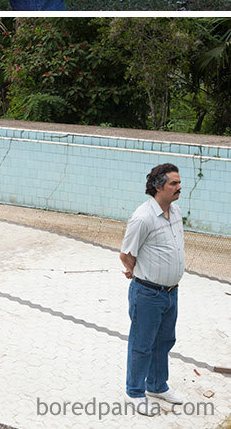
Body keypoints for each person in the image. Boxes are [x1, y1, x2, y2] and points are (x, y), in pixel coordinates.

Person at [120, 163, 185, 417]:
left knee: (164, 341)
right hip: (148, 293)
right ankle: (135, 392)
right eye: (174, 184)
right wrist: (136, 271)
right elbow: (126, 254)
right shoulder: (142, 217)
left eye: (179, 183)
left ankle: (157, 386)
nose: (179, 187)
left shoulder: (176, 211)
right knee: (142, 344)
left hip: (171, 292)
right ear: (159, 187)